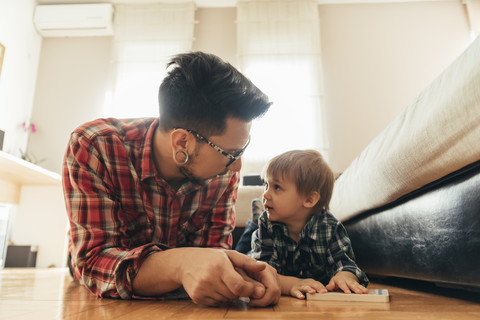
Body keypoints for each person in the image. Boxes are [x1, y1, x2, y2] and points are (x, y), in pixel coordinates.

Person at [62, 51, 281, 307]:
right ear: (182, 142)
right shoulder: (95, 146)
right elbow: (94, 262)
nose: (237, 167)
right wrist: (181, 264)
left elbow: (214, 252)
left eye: (241, 151)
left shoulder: (223, 173)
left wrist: (246, 273)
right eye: (231, 154)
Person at [248, 150, 369, 299]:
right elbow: (261, 272)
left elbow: (345, 263)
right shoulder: (266, 225)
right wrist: (292, 284)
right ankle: (253, 220)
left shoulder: (329, 227)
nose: (265, 194)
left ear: (310, 199)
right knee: (243, 253)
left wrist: (345, 277)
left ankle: (255, 215)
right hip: (257, 241)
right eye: (266, 185)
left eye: (277, 187)